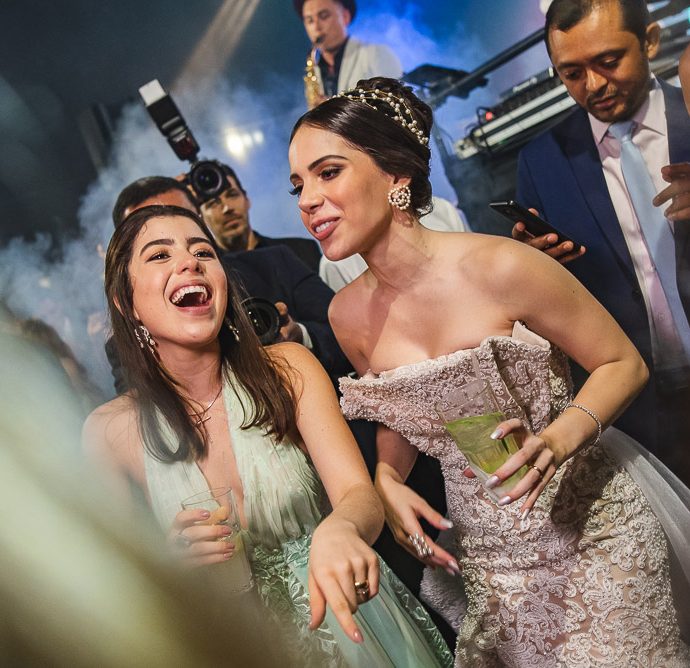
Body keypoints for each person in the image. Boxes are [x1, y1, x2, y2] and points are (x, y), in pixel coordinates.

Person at [288, 76, 690, 665]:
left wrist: (557, 439)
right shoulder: (346, 316)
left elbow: (622, 363)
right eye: (298, 185)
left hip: (594, 534)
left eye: (328, 173)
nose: (307, 200)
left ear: (396, 174)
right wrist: (388, 478)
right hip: (492, 566)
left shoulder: (503, 265)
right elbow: (400, 412)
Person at [82, 204, 452, 667]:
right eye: (159, 255)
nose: (189, 262)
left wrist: (342, 527)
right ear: (125, 300)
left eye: (203, 252)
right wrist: (171, 565)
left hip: (350, 627)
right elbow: (117, 594)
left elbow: (359, 495)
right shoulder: (108, 432)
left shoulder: (288, 369)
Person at [512, 0, 690, 483]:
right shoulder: (541, 162)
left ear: (649, 41)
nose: (593, 85)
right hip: (638, 409)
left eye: (609, 62)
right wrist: (533, 268)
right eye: (571, 73)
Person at [109, 176, 350, 390]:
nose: (188, 262)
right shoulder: (125, 354)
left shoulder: (276, 262)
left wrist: (301, 336)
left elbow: (350, 334)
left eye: (180, 215)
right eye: (160, 254)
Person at [195, 162, 323, 271]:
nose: (227, 208)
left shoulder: (302, 252)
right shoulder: (207, 273)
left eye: (232, 195)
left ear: (246, 199)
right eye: (213, 203)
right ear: (200, 217)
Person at [294, 0, 402, 107]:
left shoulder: (377, 53)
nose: (316, 27)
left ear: (345, 16)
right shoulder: (315, 69)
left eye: (324, 16)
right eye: (310, 21)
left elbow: (400, 103)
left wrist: (334, 109)